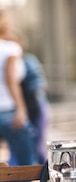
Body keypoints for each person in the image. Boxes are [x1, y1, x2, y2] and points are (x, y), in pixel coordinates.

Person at [0, 10, 37, 166]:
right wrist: (21, 109)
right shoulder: (10, 48)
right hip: (8, 110)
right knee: (26, 163)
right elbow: (10, 80)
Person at [9, 32, 50, 164]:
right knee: (18, 149)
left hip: (35, 106)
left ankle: (43, 179)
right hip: (19, 108)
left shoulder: (28, 61)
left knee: (38, 146)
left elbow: (37, 85)